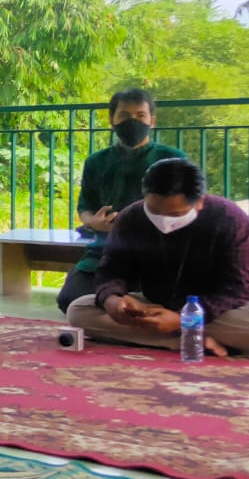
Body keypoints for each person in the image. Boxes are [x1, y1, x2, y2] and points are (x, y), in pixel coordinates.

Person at [66, 158, 249, 356]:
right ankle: (186, 342)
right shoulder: (132, 217)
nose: (164, 220)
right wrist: (113, 299)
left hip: (219, 312)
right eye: (154, 211)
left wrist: (181, 319)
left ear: (200, 201)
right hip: (155, 306)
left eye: (175, 214)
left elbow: (242, 287)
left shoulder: (230, 219)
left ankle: (179, 335)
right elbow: (111, 269)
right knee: (79, 311)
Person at [56, 89, 187, 312]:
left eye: (140, 115)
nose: (132, 121)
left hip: (159, 252)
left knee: (171, 299)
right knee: (70, 300)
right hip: (106, 251)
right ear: (112, 120)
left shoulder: (173, 159)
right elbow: (85, 206)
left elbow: (187, 207)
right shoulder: (96, 161)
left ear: (152, 121)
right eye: (125, 115)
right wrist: (93, 223)